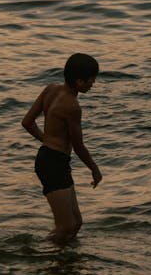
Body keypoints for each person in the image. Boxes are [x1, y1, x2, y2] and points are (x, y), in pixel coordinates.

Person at [22, 52, 102, 242]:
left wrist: (47, 141)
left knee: (76, 223)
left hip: (51, 159)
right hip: (53, 164)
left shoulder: (50, 89)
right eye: (91, 80)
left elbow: (27, 122)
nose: (93, 84)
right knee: (65, 226)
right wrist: (95, 169)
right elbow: (79, 146)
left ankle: (65, 262)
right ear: (79, 82)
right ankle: (36, 252)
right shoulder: (72, 106)